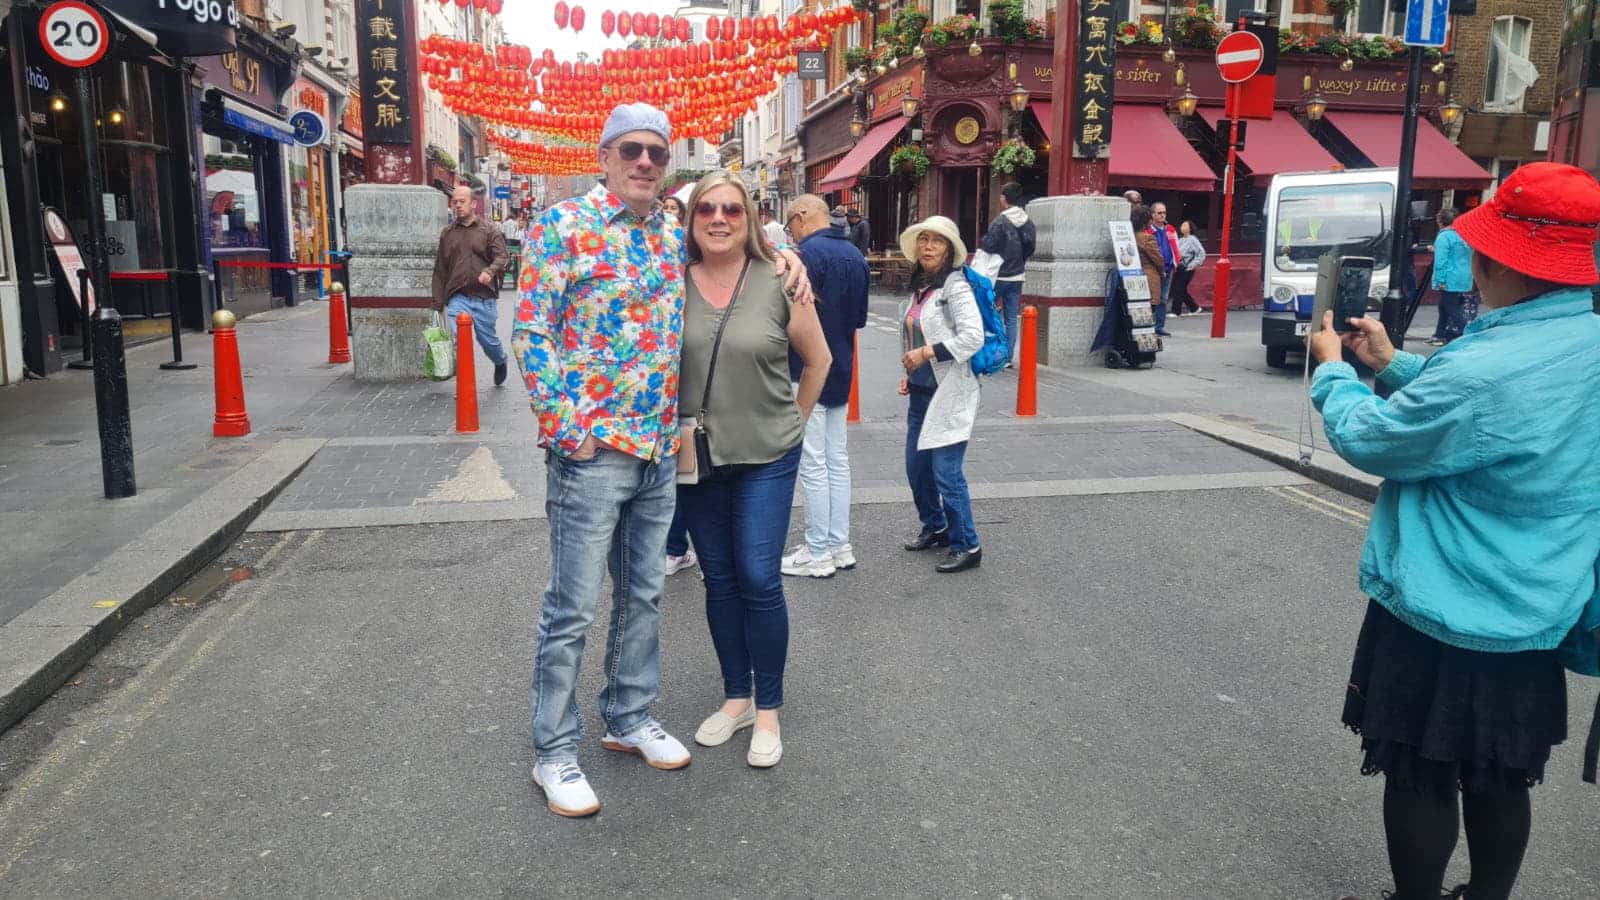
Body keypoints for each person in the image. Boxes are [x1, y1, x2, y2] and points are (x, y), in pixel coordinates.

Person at [1308, 161, 1600, 900]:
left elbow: (1376, 439)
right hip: (1541, 603)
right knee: (1501, 772)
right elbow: (1496, 426)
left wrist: (1335, 372)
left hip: (1446, 604)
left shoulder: (1485, 370)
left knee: (1420, 770)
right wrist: (1395, 364)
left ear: (1499, 262)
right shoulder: (1585, 342)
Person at [513, 103, 811, 817]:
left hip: (659, 450)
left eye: (656, 152)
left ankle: (628, 715)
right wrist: (568, 430)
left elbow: (733, 247)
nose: (645, 162)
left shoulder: (669, 235)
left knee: (644, 594)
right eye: (631, 150)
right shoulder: (562, 227)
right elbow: (532, 332)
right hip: (592, 453)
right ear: (604, 156)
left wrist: (786, 253)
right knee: (572, 606)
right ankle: (554, 751)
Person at [677, 172, 832, 768]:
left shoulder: (780, 280)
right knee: (718, 579)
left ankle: (769, 708)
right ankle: (736, 698)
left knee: (759, 577)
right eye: (707, 210)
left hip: (768, 455)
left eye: (732, 210)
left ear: (749, 220)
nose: (719, 219)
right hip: (698, 456)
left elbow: (818, 361)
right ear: (691, 221)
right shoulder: (669, 283)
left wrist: (793, 424)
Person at [778, 194, 870, 579]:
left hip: (805, 369)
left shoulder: (805, 257)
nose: (790, 232)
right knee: (836, 458)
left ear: (801, 217)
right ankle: (838, 544)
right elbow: (859, 319)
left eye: (789, 224)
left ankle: (817, 550)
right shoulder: (855, 256)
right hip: (842, 364)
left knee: (813, 461)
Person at [896, 215, 987, 574]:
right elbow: (912, 333)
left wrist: (926, 353)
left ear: (949, 249)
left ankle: (968, 544)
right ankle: (936, 527)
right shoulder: (920, 287)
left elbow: (972, 337)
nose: (928, 247)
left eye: (937, 241)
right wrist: (910, 372)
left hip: (950, 393)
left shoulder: (955, 287)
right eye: (924, 240)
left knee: (946, 473)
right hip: (921, 392)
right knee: (917, 469)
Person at [432, 184, 510, 386]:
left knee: (488, 341)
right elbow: (440, 269)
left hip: (484, 297)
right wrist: (437, 302)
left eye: (462, 201)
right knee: (460, 340)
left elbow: (502, 256)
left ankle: (500, 360)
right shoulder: (447, 233)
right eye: (454, 202)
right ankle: (465, 386)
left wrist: (490, 271)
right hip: (458, 296)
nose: (457, 205)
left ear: (473, 204)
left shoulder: (489, 230)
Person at [979, 182, 1037, 367]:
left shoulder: (1000, 221)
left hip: (998, 275)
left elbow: (989, 246)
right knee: (1011, 319)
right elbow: (1030, 247)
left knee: (987, 312)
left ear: (1004, 198)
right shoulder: (1028, 222)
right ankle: (1008, 358)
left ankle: (991, 352)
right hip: (1017, 276)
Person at [1427, 208, 1474, 345]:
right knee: (1444, 306)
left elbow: (1441, 261)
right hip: (1464, 276)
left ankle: (1467, 334)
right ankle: (1439, 334)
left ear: (1440, 221)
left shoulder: (1444, 237)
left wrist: (1440, 280)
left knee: (1450, 306)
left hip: (1449, 278)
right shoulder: (1464, 235)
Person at [1148, 201, 1179, 335]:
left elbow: (1176, 246)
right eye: (1159, 213)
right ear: (1153, 214)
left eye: (1164, 213)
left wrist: (1175, 262)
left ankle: (1159, 327)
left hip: (1168, 268)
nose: (1162, 215)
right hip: (1154, 269)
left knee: (1163, 299)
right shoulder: (1148, 230)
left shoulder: (1170, 229)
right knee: (1151, 298)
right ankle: (1147, 325)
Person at [1130, 205, 1165, 314]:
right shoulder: (1147, 238)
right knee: (1148, 313)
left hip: (1131, 276)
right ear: (1147, 221)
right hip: (1148, 277)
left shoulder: (1129, 236)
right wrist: (1162, 272)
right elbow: (1158, 260)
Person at [1172, 220, 1206, 315]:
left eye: (1185, 225)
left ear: (1190, 228)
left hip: (1187, 268)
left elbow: (1201, 253)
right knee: (1179, 288)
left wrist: (1193, 265)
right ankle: (1194, 307)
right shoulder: (1180, 240)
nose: (1182, 227)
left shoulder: (1193, 240)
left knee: (1179, 288)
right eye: (1182, 225)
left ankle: (1176, 311)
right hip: (1179, 267)